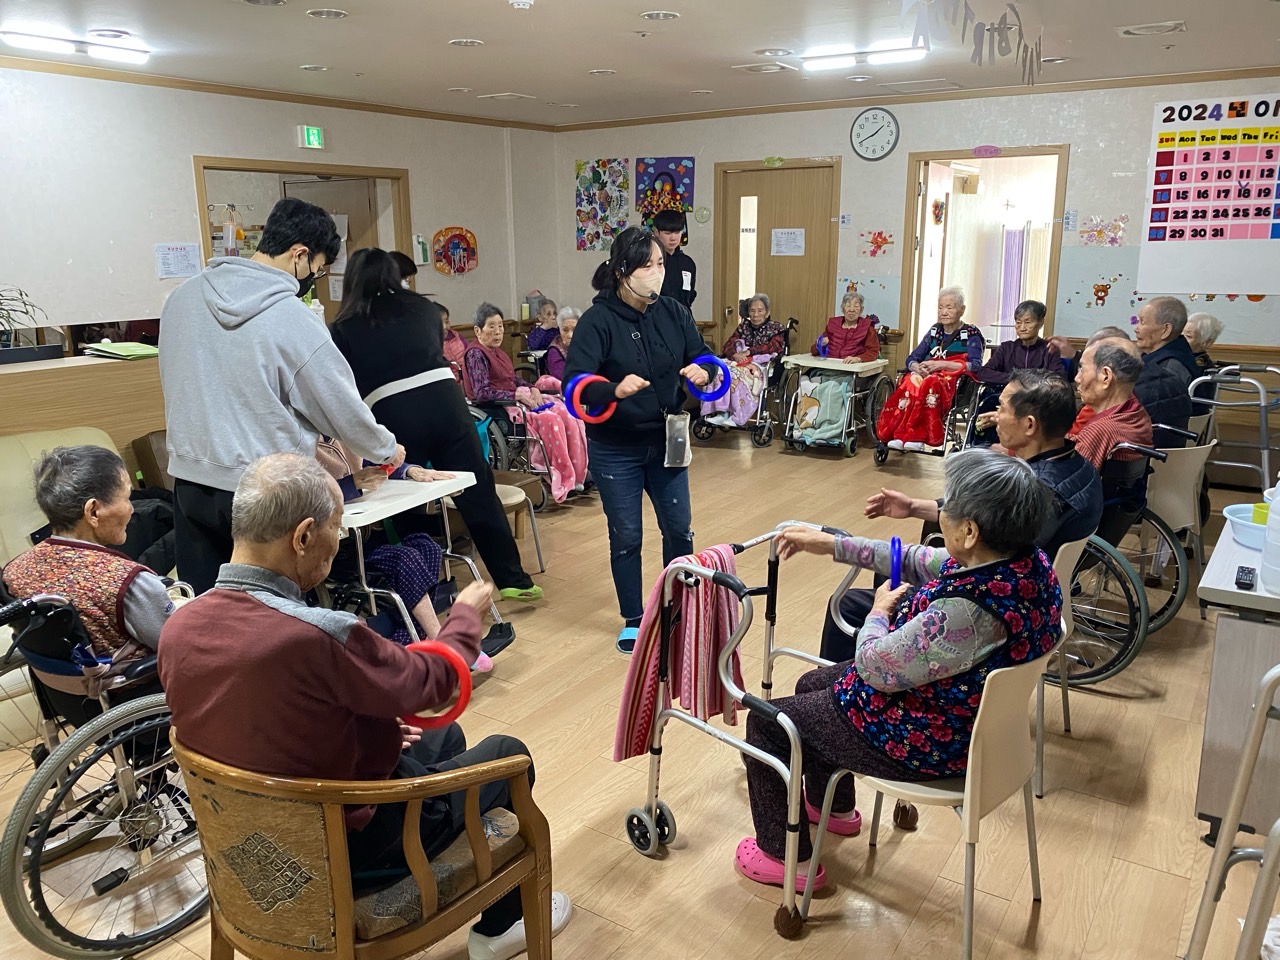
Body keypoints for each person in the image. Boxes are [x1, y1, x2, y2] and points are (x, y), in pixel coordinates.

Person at [157, 454, 571, 960]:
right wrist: (463, 618)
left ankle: (433, 819)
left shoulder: (179, 626)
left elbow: (268, 716)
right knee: (510, 753)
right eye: (337, 526)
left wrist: (369, 730)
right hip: (344, 843)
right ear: (303, 536)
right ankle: (500, 929)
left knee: (444, 736)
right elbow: (433, 683)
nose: (339, 541)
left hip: (247, 836)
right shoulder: (316, 634)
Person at [734, 450, 1061, 892]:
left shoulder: (965, 615)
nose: (940, 511)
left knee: (767, 724)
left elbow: (872, 665)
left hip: (928, 740)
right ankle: (836, 810)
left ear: (969, 531)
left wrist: (878, 611)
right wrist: (831, 544)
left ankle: (784, 858)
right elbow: (913, 558)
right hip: (974, 722)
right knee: (811, 683)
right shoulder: (1022, 566)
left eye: (946, 505)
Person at [159, 197, 404, 593]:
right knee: (270, 609)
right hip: (265, 491)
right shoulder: (293, 318)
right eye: (317, 269)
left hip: (190, 480)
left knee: (207, 608)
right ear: (300, 255)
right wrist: (385, 449)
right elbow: (340, 407)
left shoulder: (180, 299)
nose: (312, 279)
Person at [840, 370, 1101, 661]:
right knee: (895, 562)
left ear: (1029, 425)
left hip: (999, 606)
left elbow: (981, 547)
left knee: (861, 594)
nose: (996, 416)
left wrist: (882, 608)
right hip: (1037, 596)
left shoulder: (1040, 492)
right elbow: (982, 511)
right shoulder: (1078, 467)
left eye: (1002, 408)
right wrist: (912, 506)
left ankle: (875, 664)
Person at [330, 248, 543, 603]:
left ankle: (423, 586)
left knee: (404, 497)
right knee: (478, 489)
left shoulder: (342, 327)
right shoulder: (424, 309)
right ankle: (513, 579)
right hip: (447, 404)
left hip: (392, 412)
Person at [563, 226, 713, 653]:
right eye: (647, 265)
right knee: (627, 535)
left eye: (660, 263)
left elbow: (703, 356)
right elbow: (575, 385)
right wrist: (613, 389)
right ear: (622, 271)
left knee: (679, 529)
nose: (657, 273)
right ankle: (633, 617)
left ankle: (678, 607)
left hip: (668, 440)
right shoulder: (597, 321)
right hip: (616, 447)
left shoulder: (674, 312)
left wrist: (704, 371)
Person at [314, 436, 499, 672]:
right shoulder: (300, 443)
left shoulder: (345, 435)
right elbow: (310, 496)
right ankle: (444, 643)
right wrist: (352, 484)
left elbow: (375, 463)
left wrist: (408, 470)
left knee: (427, 547)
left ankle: (412, 642)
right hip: (340, 549)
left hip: (372, 537)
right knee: (406, 559)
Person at [3, 445, 175, 662]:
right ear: (93, 511)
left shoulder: (13, 571)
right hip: (136, 680)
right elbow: (178, 644)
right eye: (127, 498)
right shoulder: (127, 582)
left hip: (60, 682)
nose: (132, 509)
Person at [464, 303, 588, 504]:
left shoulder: (498, 352)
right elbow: (481, 392)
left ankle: (578, 473)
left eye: (500, 326)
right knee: (551, 420)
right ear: (478, 330)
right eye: (491, 327)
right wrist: (516, 395)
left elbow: (512, 378)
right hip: (499, 408)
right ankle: (561, 475)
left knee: (567, 412)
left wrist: (532, 388)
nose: (498, 331)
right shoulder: (476, 354)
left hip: (516, 400)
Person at [876, 286, 984, 451]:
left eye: (949, 307)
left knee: (930, 383)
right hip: (926, 375)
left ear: (962, 310)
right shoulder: (935, 331)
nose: (944, 312)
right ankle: (900, 433)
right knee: (910, 381)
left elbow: (975, 365)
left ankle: (917, 435)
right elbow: (912, 358)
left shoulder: (971, 332)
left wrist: (942, 364)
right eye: (940, 307)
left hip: (952, 382)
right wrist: (917, 367)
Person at [701, 293, 785, 428]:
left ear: (767, 313)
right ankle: (722, 412)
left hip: (759, 364)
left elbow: (773, 347)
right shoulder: (743, 327)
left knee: (737, 376)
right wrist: (734, 354)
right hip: (738, 362)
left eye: (760, 311)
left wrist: (749, 352)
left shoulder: (776, 328)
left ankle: (738, 415)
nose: (755, 315)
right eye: (752, 311)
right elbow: (728, 345)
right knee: (719, 372)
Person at [1068, 338, 1153, 469]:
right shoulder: (1138, 415)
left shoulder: (1100, 431)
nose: (1077, 378)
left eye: (1082, 369)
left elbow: (1070, 477)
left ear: (1106, 376)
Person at [975, 300, 1058, 386]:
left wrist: (1031, 381)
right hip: (1008, 393)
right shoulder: (1006, 348)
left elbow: (1058, 379)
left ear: (1041, 322)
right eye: (1018, 322)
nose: (1022, 328)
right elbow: (983, 373)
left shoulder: (1050, 349)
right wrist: (1016, 379)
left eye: (1028, 322)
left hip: (1038, 394)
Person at [1135, 296, 1199, 389]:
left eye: (1142, 322)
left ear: (1165, 330)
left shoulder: (1169, 368)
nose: (1136, 329)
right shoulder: (1156, 356)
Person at [812, 291, 881, 363]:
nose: (851, 310)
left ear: (861, 309)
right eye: (848, 306)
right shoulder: (833, 325)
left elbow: (873, 351)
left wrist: (858, 359)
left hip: (852, 367)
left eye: (856, 306)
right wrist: (820, 344)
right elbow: (814, 351)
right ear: (842, 308)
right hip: (830, 364)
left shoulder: (868, 328)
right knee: (810, 371)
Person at [653, 209, 697, 310]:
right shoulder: (650, 261)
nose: (673, 238)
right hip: (656, 316)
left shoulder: (687, 263)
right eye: (667, 233)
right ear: (656, 232)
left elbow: (690, 295)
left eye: (677, 232)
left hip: (683, 315)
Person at [545, 306, 580, 382]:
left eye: (575, 330)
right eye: (565, 330)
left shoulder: (585, 345)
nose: (570, 335)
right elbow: (565, 376)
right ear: (559, 329)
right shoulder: (554, 351)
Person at [439, 304, 467, 370]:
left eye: (446, 322)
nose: (444, 327)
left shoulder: (457, 337)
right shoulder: (432, 346)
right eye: (440, 323)